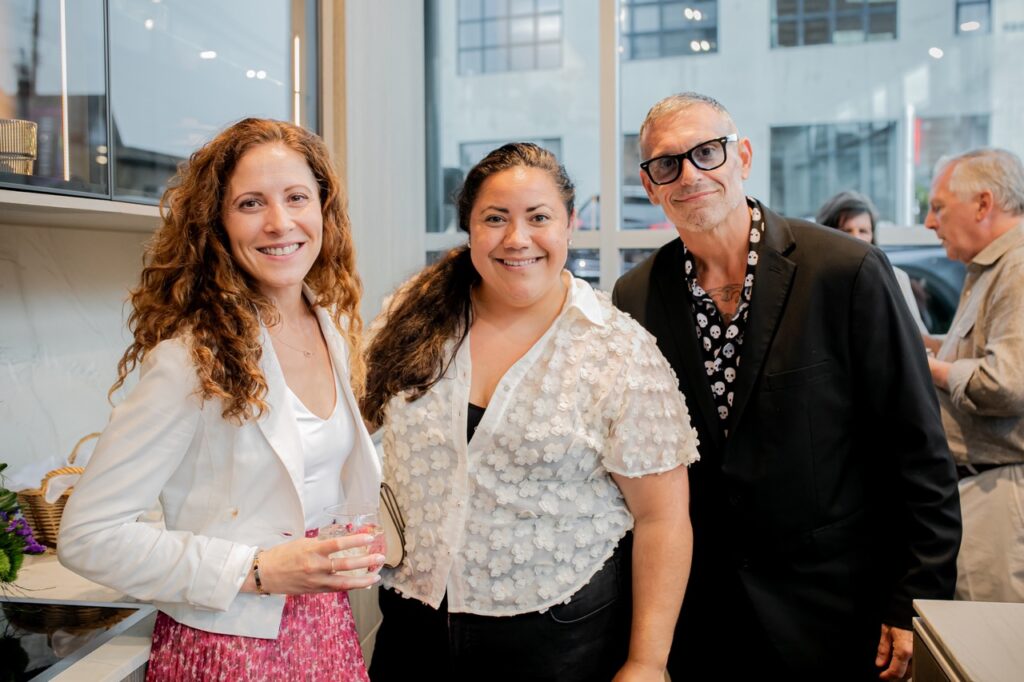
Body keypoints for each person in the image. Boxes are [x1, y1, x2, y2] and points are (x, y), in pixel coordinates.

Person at [613, 93, 961, 680]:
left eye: (707, 152)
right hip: (705, 618)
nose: (690, 174)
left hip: (834, 612)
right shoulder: (637, 296)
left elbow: (919, 450)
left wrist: (916, 599)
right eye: (667, 164)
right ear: (651, 187)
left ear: (742, 156)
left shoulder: (845, 271)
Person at [58, 118, 383, 681]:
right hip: (227, 649)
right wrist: (256, 569)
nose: (280, 223)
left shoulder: (328, 327)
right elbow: (89, 537)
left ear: (324, 210)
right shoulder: (193, 358)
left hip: (324, 632)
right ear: (218, 223)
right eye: (251, 203)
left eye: (297, 197)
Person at [361, 142, 700, 682]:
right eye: (495, 219)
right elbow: (350, 423)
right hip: (413, 623)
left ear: (570, 224)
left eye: (538, 217)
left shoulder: (617, 352)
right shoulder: (416, 318)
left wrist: (646, 662)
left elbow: (663, 519)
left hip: (560, 637)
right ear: (470, 230)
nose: (517, 239)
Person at [922, 148, 1024, 603]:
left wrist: (931, 369)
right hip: (980, 487)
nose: (929, 222)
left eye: (939, 207)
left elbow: (1008, 383)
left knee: (993, 655)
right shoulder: (991, 268)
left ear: (983, 205)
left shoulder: (1018, 268)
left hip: (1001, 491)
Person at [816, 190, 928, 332]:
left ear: (872, 236)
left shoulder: (895, 278)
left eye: (863, 231)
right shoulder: (816, 281)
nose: (856, 238)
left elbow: (917, 339)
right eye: (846, 231)